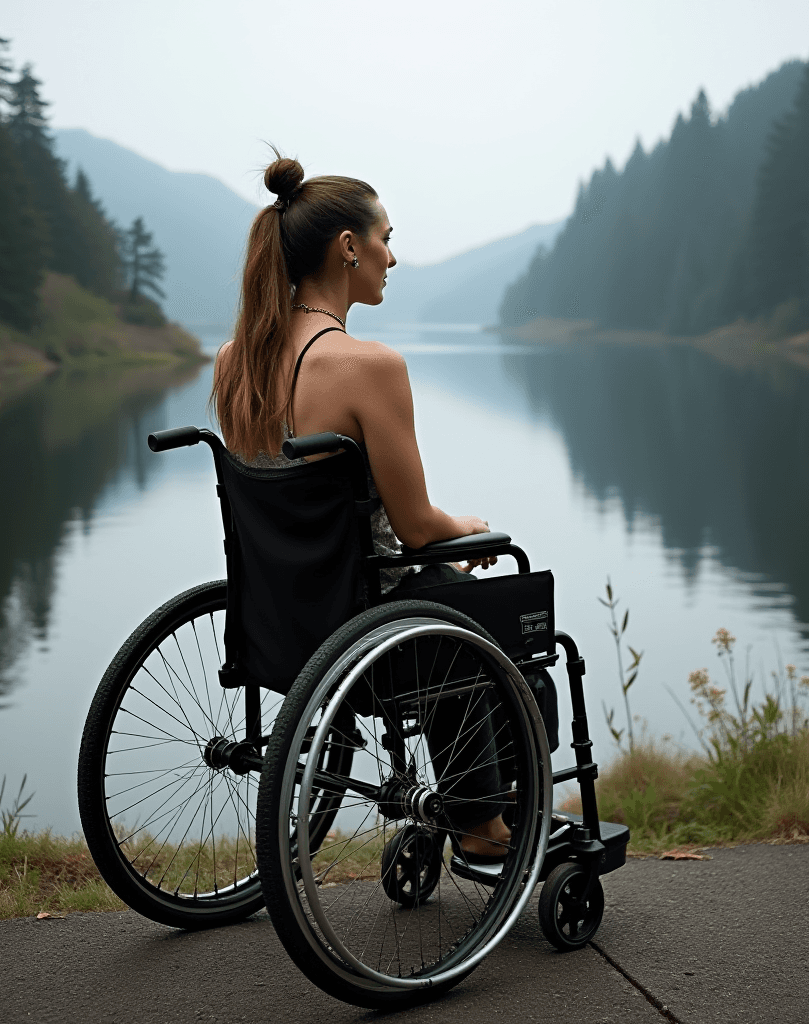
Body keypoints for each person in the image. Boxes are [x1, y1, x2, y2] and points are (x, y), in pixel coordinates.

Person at [211, 152, 510, 859]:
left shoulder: (234, 362)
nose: (393, 258)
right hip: (366, 620)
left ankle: (477, 811)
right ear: (350, 248)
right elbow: (414, 528)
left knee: (450, 595)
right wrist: (468, 527)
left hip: (278, 616)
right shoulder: (367, 366)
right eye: (386, 238)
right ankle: (483, 822)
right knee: (503, 616)